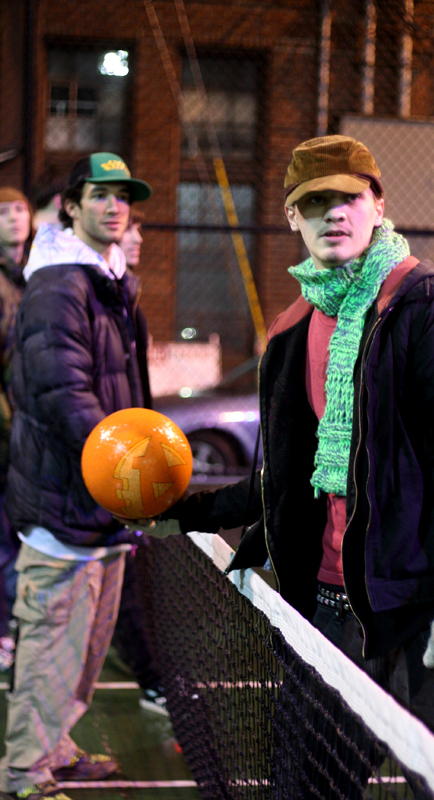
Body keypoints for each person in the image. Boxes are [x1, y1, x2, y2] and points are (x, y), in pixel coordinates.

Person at [134, 135, 434, 794]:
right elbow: (288, 479)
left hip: (423, 614)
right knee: (304, 788)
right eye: (315, 203)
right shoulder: (291, 331)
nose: (333, 214)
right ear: (292, 218)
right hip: (328, 615)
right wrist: (184, 508)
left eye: (348, 197)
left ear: (378, 205)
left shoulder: (426, 307)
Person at [0, 152, 152, 800]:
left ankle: (55, 748)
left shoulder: (111, 283)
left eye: (123, 196)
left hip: (102, 505)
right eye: (99, 195)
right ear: (69, 206)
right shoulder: (61, 285)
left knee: (84, 651)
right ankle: (25, 775)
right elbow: (63, 391)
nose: (114, 206)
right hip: (66, 502)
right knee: (49, 648)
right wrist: (128, 464)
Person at [110, 210, 169, 716]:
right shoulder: (88, 300)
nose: (137, 238)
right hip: (99, 472)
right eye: (130, 228)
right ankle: (153, 680)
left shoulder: (130, 305)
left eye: (138, 227)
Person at [0, 189, 31, 673]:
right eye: (2, 212)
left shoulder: (40, 276)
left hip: (31, 431)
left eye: (18, 209)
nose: (12, 218)